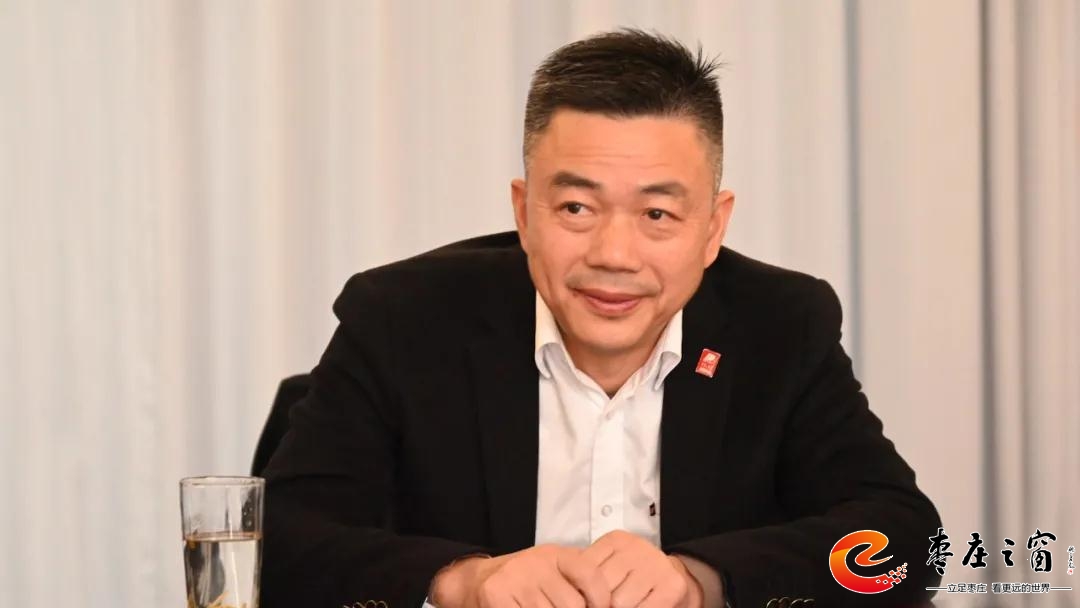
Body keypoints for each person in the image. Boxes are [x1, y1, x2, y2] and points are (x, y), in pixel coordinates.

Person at [261, 29, 941, 608]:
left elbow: (907, 544)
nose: (614, 255)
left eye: (657, 214)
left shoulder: (779, 326)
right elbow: (280, 540)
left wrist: (701, 581)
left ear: (713, 228)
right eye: (576, 209)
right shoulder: (404, 319)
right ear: (524, 212)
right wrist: (462, 582)